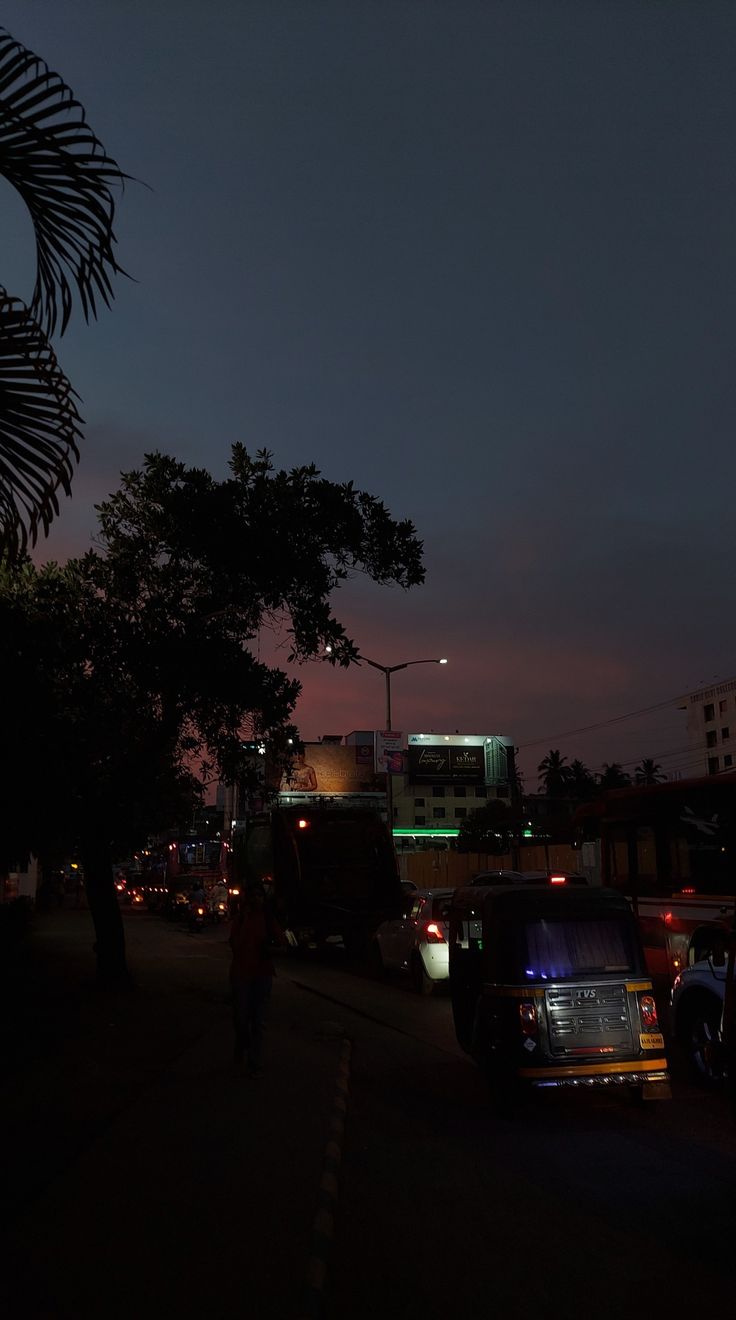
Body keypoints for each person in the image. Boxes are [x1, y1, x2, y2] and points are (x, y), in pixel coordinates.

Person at [228, 882, 285, 1078]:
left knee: (258, 1021)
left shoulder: (269, 920)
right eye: (253, 896)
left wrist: (269, 949)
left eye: (260, 896)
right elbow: (233, 944)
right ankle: (242, 1046)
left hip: (262, 974)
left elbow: (283, 944)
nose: (256, 900)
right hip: (241, 974)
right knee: (241, 1019)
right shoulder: (241, 919)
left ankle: (254, 1061)